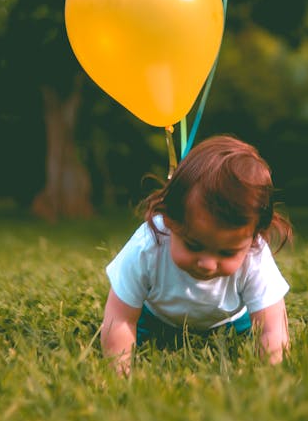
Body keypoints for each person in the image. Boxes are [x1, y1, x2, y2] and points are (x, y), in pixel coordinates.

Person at [101, 135, 292, 375]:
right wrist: (119, 373)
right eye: (193, 245)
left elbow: (271, 328)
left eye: (226, 252)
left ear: (253, 238)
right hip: (155, 321)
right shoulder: (149, 244)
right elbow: (120, 318)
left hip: (230, 324)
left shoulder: (254, 254)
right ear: (170, 221)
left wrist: (272, 380)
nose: (207, 264)